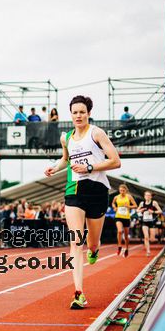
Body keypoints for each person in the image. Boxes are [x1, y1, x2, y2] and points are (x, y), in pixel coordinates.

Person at [44, 95, 121, 309]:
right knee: (75, 242)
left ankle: (94, 250)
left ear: (88, 113)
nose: (78, 115)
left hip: (97, 191)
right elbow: (66, 160)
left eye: (82, 112)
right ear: (71, 114)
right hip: (74, 192)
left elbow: (115, 161)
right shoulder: (65, 137)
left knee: (92, 243)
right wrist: (55, 167)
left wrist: (90, 168)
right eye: (75, 112)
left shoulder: (96, 133)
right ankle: (78, 293)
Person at [111, 184, 137, 257]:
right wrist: (114, 207)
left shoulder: (129, 197)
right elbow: (113, 203)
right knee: (119, 231)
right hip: (118, 216)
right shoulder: (116, 197)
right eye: (120, 190)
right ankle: (119, 246)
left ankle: (127, 248)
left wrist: (129, 206)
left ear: (126, 190)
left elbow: (135, 206)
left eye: (123, 190)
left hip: (126, 217)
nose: (122, 192)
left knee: (126, 235)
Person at [137, 191, 163, 257]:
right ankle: (148, 251)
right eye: (146, 195)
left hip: (152, 222)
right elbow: (137, 210)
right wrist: (141, 210)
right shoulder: (142, 203)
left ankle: (153, 240)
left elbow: (160, 211)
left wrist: (153, 211)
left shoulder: (154, 203)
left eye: (149, 195)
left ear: (151, 196)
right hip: (144, 222)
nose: (147, 197)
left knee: (152, 239)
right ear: (144, 196)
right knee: (146, 237)